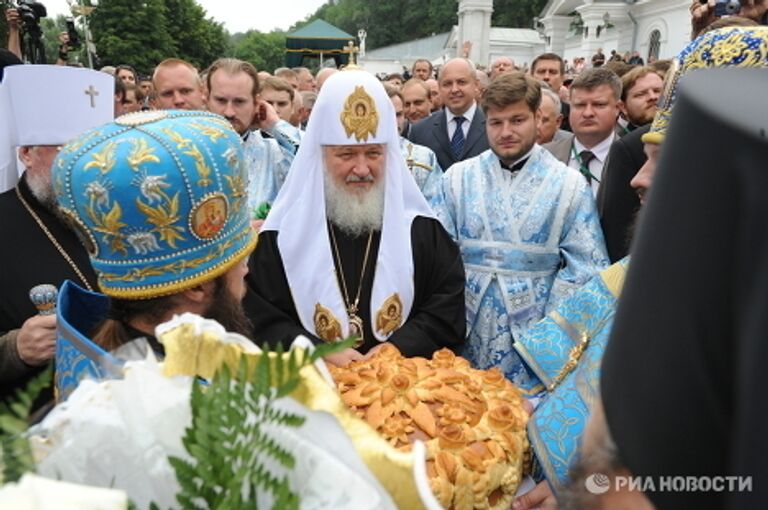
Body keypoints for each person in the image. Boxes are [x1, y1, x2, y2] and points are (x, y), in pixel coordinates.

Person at [244, 69, 465, 365]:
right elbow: (259, 318)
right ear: (320, 156)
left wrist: (398, 348)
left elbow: (446, 308)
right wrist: (315, 350)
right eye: (347, 155)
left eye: (373, 153)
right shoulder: (282, 236)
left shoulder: (420, 229)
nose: (362, 169)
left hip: (400, 389)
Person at [50, 109, 257, 396]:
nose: (246, 270)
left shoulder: (91, 357)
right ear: (197, 285)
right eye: (240, 260)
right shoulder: (177, 409)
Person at [430, 72, 608, 393]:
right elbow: (436, 258)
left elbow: (586, 269)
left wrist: (548, 334)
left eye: (517, 120)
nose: (506, 132)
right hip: (463, 328)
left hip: (534, 335)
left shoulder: (568, 185)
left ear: (538, 119)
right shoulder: (457, 178)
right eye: (496, 123)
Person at [0, 65, 113, 402]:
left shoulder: (115, 212)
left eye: (93, 152)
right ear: (26, 154)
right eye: (67, 151)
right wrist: (13, 349)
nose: (84, 166)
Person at [204, 58, 299, 218]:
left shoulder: (273, 153)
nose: (229, 112)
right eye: (220, 100)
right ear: (206, 99)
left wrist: (275, 125)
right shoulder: (186, 151)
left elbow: (314, 165)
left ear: (256, 103)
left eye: (239, 102)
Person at [543, 68, 622, 196]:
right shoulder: (545, 156)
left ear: (618, 108)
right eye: (579, 105)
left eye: (598, 104)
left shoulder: (635, 159)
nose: (588, 113)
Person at [408, 58, 489, 171]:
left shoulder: (493, 125)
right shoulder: (420, 131)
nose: (454, 89)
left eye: (461, 82)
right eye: (447, 84)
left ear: (476, 85)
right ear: (439, 87)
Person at [386, 87, 442, 201]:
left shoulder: (424, 157)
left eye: (398, 115)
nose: (394, 122)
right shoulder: (358, 158)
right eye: (387, 114)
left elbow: (436, 205)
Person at [531, 52, 572, 132]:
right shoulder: (517, 109)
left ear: (562, 79)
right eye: (541, 71)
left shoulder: (572, 115)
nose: (546, 77)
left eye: (553, 72)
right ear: (532, 76)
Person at [617, 66, 664, 134]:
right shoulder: (619, 143)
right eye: (641, 94)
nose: (653, 97)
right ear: (623, 107)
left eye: (657, 91)